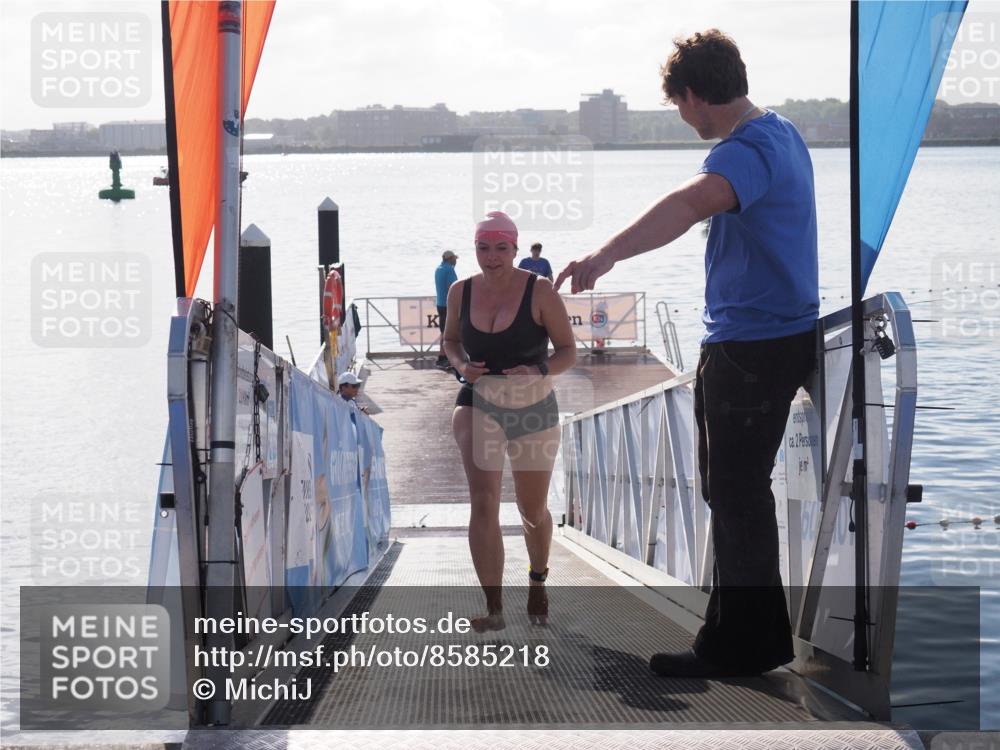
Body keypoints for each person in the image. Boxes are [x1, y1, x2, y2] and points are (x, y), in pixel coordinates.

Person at [555, 29, 819, 678]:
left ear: (696, 96)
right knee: (730, 491)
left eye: (679, 104)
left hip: (752, 346)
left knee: (737, 493)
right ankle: (734, 638)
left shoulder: (748, 150)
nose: (682, 116)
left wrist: (605, 255)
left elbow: (689, 202)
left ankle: (746, 645)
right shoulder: (781, 131)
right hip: (767, 338)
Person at [442, 211, 576, 631]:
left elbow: (569, 351)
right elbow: (450, 340)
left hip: (533, 407)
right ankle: (495, 607)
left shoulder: (539, 290)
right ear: (474, 249)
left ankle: (538, 578)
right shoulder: (459, 292)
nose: (492, 257)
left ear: (516, 249)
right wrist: (463, 365)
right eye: (483, 247)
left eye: (501, 248)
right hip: (479, 401)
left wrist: (538, 371)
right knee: (483, 501)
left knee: (531, 509)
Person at [435, 251, 459, 368]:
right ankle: (446, 358)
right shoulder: (449, 269)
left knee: (444, 331)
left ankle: (442, 357)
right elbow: (452, 287)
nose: (456, 261)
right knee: (449, 332)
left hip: (440, 303)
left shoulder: (438, 269)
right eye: (454, 258)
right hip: (447, 305)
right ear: (450, 259)